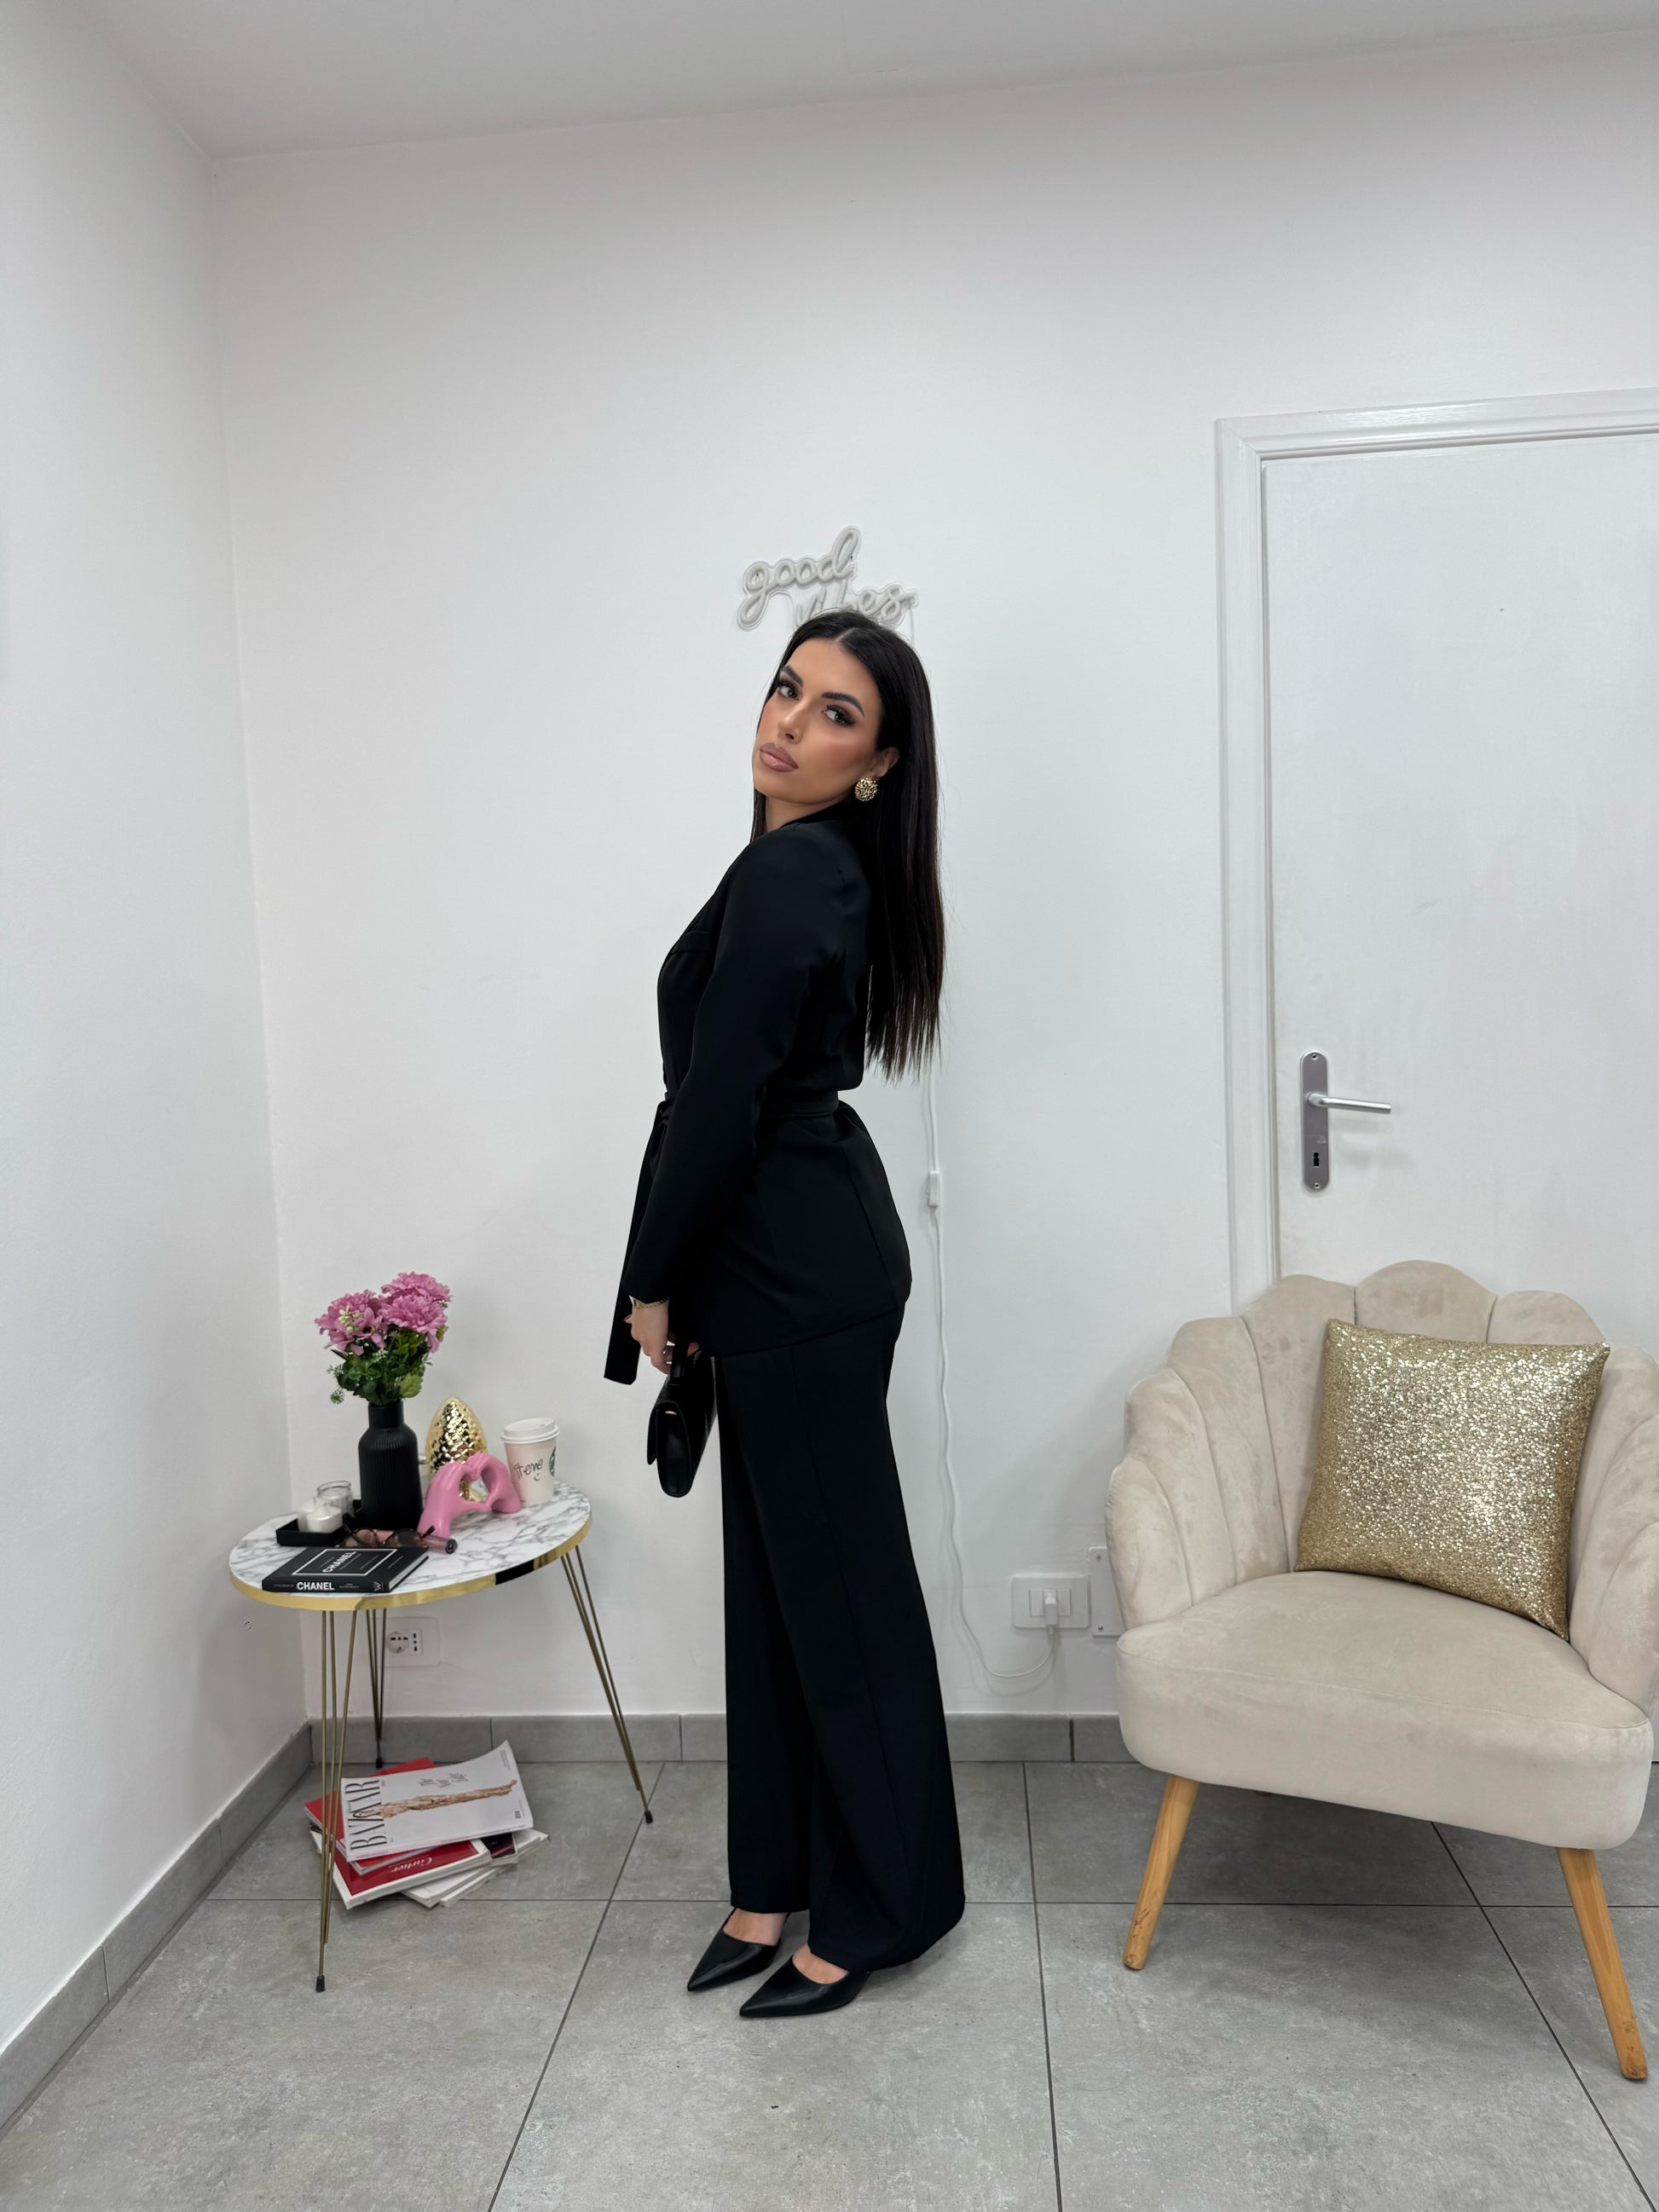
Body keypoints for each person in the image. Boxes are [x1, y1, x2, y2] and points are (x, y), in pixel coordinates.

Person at [604, 608, 965, 2018]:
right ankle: (770, 1882)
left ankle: (883, 1908)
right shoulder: (793, 861)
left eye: (833, 715)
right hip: (782, 1260)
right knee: (774, 1602)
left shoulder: (799, 870)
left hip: (797, 1279)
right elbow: (723, 1099)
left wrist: (650, 1280)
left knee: (842, 1605)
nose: (788, 723)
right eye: (786, 689)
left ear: (877, 764)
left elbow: (720, 1102)